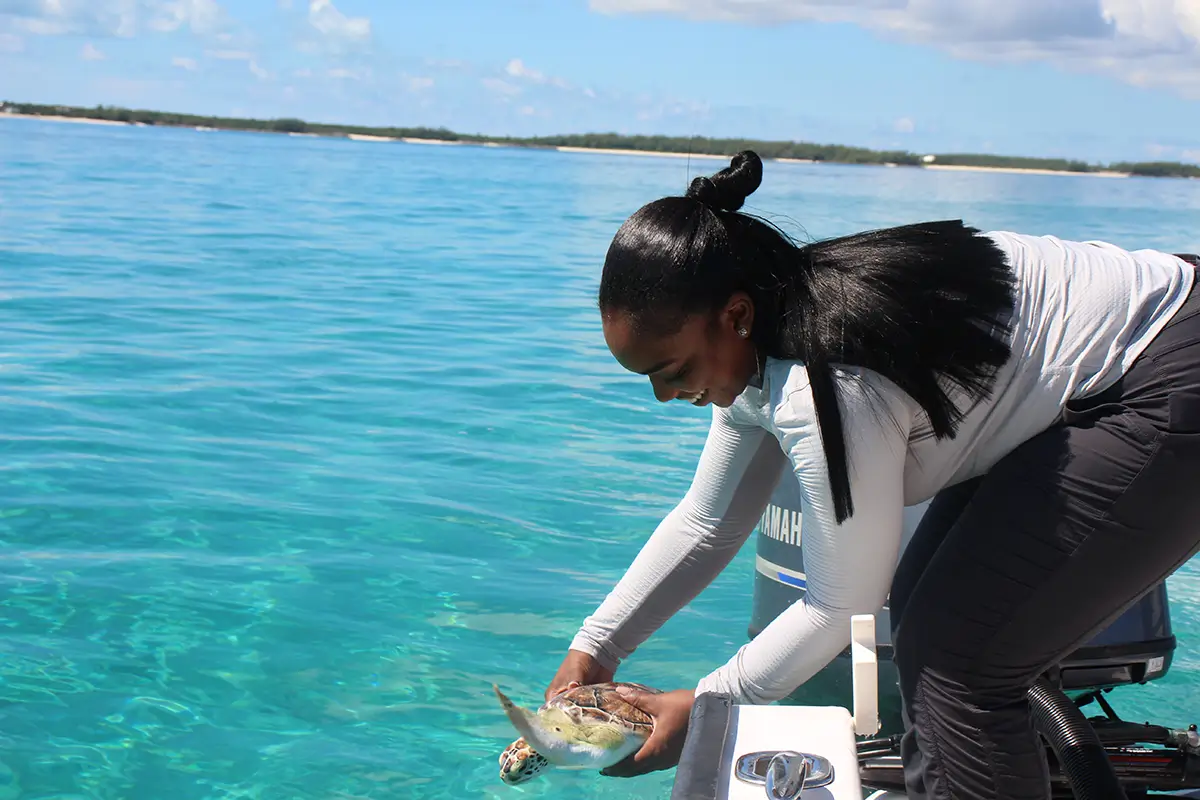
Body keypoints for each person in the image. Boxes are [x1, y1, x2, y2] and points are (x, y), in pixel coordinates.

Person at [545, 149, 1200, 800]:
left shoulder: (821, 382)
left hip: (1163, 366)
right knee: (925, 619)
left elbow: (838, 608)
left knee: (959, 663)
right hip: (1115, 368)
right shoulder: (762, 338)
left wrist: (709, 706)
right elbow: (706, 522)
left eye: (673, 371)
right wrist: (597, 646)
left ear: (735, 316)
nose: (664, 396)